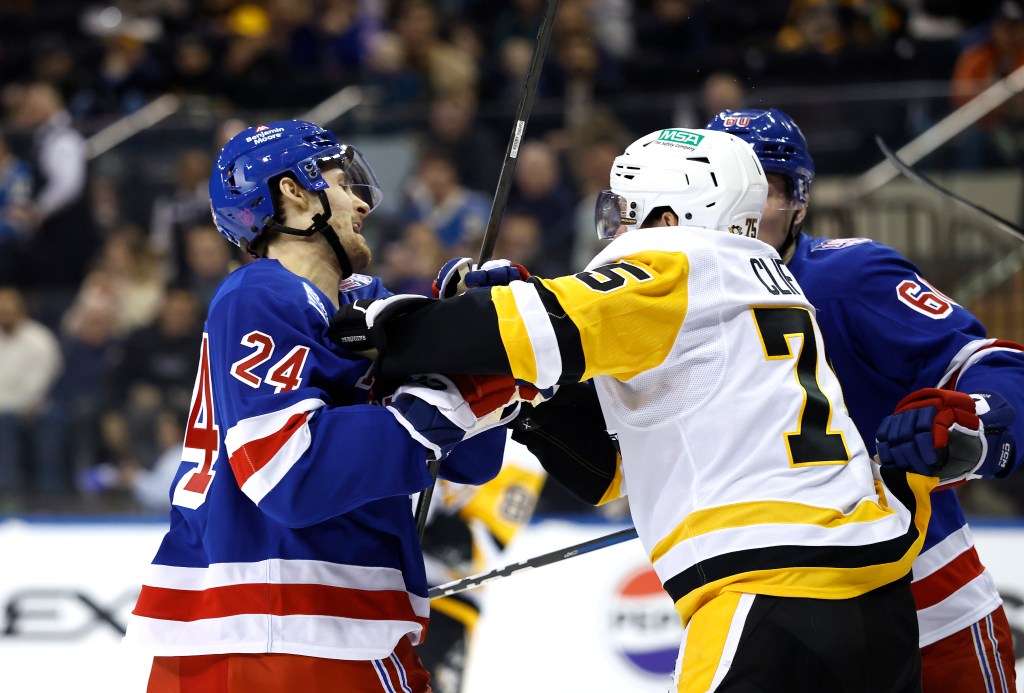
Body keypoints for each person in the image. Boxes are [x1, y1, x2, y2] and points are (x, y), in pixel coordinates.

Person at [330, 127, 937, 692]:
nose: (615, 233)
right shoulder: (759, 280)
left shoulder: (679, 259)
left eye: (624, 212)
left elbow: (528, 327)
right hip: (874, 595)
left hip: (769, 588)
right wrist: (525, 398)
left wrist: (387, 324)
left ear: (672, 216)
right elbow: (607, 468)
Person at [123, 120, 511, 693]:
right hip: (301, 619)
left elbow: (472, 461)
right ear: (294, 192)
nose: (360, 201)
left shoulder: (361, 310)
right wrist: (447, 402)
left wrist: (485, 336)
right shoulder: (265, 290)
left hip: (253, 630)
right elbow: (287, 473)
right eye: (341, 181)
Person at [706, 108, 1024, 693]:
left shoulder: (846, 277)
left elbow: (991, 365)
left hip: (926, 611)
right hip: (767, 623)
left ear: (799, 202)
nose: (741, 212)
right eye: (722, 189)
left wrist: (977, 420)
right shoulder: (663, 308)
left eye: (764, 190)